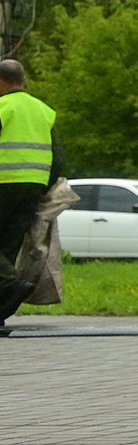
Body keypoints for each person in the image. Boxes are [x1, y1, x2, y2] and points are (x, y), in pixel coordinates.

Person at [0, 58, 58, 332]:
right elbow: (58, 157)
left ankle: (12, 284)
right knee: (7, 246)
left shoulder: (2, 107)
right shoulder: (44, 111)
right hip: (34, 186)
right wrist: (44, 188)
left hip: (3, 182)